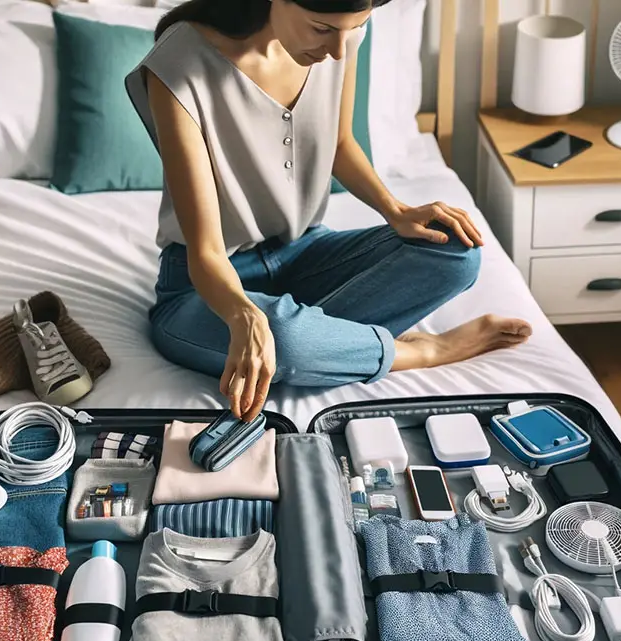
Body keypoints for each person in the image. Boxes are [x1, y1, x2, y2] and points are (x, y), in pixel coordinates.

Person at [125, 0, 531, 421]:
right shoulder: (179, 63)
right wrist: (245, 315)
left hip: (304, 254)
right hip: (207, 285)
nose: (338, 50)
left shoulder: (342, 38)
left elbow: (338, 143)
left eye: (355, 28)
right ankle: (420, 350)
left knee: (457, 252)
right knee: (286, 338)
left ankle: (328, 341)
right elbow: (206, 253)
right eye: (321, 29)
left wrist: (395, 210)